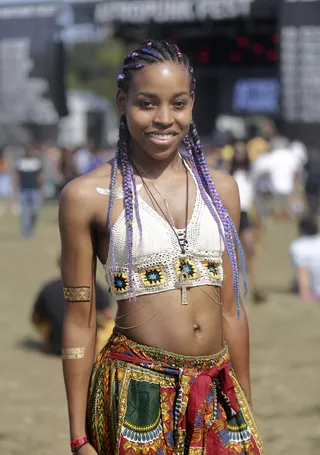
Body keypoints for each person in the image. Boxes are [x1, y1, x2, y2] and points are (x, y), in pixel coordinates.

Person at [59, 40, 263, 455]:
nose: (164, 119)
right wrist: (79, 436)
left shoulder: (222, 190)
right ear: (122, 101)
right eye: (147, 103)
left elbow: (230, 310)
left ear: (192, 104)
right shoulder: (87, 196)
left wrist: (244, 403)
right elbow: (79, 320)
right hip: (137, 393)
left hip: (216, 392)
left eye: (179, 103)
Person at [31, 257, 114, 355]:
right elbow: (108, 314)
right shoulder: (93, 286)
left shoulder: (48, 289)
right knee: (110, 324)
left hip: (58, 347)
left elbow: (35, 318)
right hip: (88, 347)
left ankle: (54, 339)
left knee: (43, 320)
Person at [230, 144, 266, 304]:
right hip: (231, 212)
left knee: (250, 252)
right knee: (233, 256)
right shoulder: (228, 174)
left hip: (244, 213)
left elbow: (254, 199)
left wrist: (258, 221)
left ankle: (256, 287)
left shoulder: (250, 175)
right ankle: (234, 291)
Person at [14, 145, 43, 237]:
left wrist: (41, 187)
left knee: (35, 211)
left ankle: (31, 228)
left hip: (34, 190)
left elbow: (40, 176)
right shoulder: (20, 162)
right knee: (25, 212)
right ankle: (26, 232)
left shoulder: (36, 162)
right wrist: (15, 189)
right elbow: (16, 176)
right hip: (23, 190)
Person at [290, 216, 320, 303]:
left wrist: (304, 292)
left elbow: (302, 270)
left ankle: (305, 291)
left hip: (314, 289)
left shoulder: (297, 245)